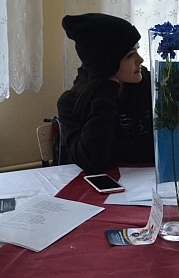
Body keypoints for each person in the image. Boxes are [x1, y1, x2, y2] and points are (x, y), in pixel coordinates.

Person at [57, 13, 154, 174]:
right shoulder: (71, 103)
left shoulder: (150, 86)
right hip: (94, 187)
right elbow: (93, 162)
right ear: (107, 64)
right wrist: (107, 92)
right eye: (130, 55)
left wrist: (118, 151)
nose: (140, 60)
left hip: (147, 181)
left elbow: (168, 148)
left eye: (137, 50)